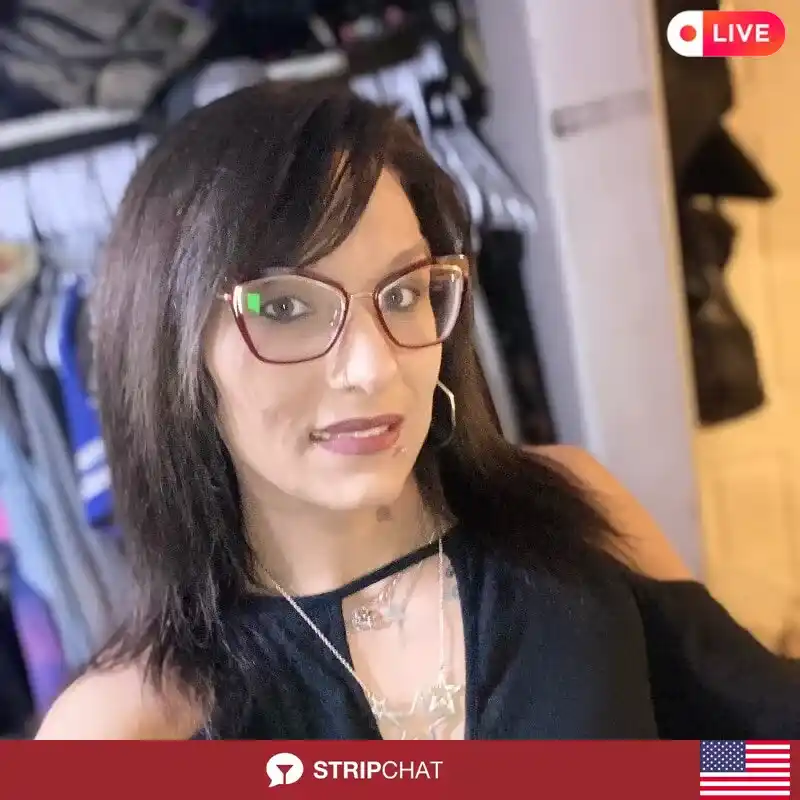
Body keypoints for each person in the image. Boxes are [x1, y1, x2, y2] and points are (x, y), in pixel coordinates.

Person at [36, 83, 799, 740]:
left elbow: (751, 749)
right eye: (287, 307)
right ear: (171, 347)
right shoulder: (128, 727)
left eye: (402, 293)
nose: (374, 367)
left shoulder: (566, 519)